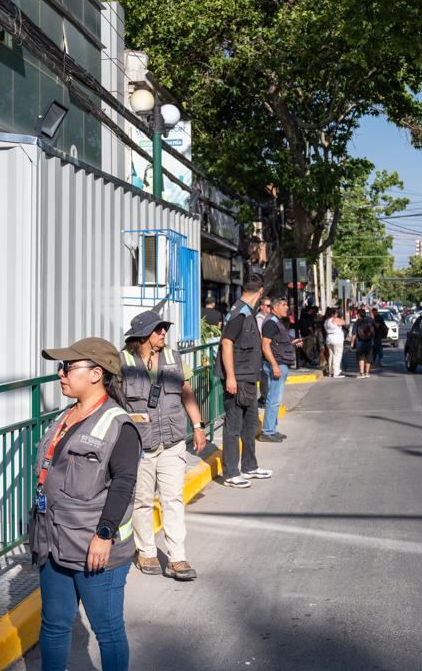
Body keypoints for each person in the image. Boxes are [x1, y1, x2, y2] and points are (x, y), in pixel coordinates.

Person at [32, 337, 141, 671]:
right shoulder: (67, 416)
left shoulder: (117, 424)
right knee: (53, 625)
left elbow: (124, 484)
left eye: (67, 367)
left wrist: (104, 535)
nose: (60, 374)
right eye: (60, 367)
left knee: (107, 631)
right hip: (53, 543)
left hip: (94, 548)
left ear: (96, 374)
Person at [119, 310, 208, 582]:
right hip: (139, 444)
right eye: (159, 330)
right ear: (144, 334)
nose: (163, 334)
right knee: (142, 501)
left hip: (172, 441)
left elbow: (186, 392)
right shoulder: (121, 362)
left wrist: (197, 425)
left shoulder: (173, 357)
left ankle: (177, 558)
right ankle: (145, 551)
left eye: (164, 329)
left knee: (173, 500)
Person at [216, 276, 272, 488]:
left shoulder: (247, 312)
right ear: (260, 291)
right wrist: (230, 376)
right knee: (233, 426)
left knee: (249, 425)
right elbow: (227, 343)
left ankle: (249, 466)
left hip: (248, 378)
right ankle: (230, 473)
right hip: (238, 379)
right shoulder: (240, 313)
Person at [259, 298, 295, 443]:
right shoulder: (271, 323)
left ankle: (272, 429)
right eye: (283, 305)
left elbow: (276, 344)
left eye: (287, 305)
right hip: (276, 365)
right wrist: (274, 365)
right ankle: (267, 432)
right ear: (274, 308)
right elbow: (265, 345)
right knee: (273, 399)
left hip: (280, 364)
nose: (286, 308)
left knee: (276, 399)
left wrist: (292, 343)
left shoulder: (276, 322)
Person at [353, 308, 376, 378]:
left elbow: (354, 334)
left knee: (361, 358)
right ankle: (367, 373)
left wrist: (351, 344)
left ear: (358, 314)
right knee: (368, 358)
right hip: (369, 342)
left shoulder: (357, 322)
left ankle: (361, 373)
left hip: (360, 343)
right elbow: (373, 320)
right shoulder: (369, 320)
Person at [323, 307, 346, 378]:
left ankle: (331, 371)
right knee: (337, 356)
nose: (337, 314)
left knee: (331, 355)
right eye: (336, 313)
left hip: (329, 339)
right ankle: (336, 372)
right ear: (333, 314)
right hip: (337, 339)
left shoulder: (326, 321)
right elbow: (344, 322)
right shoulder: (334, 319)